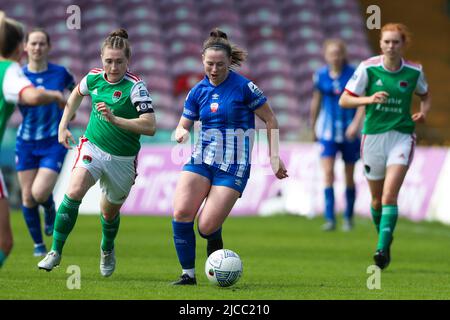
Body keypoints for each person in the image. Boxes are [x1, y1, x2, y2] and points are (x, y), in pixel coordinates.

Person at [171, 28, 288, 285]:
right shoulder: (197, 92)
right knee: (181, 213)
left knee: (206, 227)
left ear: (228, 63)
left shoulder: (244, 87)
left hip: (233, 166)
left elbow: (270, 119)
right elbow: (184, 124)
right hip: (201, 160)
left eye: (220, 65)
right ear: (202, 61)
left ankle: (214, 238)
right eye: (210, 64)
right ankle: (188, 274)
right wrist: (180, 132)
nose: (214, 69)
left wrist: (274, 156)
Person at [37, 28, 156, 277]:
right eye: (108, 61)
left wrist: (116, 120)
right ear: (101, 58)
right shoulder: (93, 78)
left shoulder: (135, 87)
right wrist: (62, 126)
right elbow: (74, 97)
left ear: (128, 60)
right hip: (93, 146)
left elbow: (150, 126)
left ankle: (107, 247)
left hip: (123, 160)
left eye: (119, 61)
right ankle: (55, 251)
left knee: (108, 212)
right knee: (74, 190)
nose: (113, 67)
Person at [339, 23, 431, 269]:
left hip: (401, 136)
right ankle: (386, 237)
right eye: (386, 41)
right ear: (380, 43)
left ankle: (380, 249)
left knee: (390, 195)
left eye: (396, 42)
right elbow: (344, 99)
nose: (391, 46)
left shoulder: (414, 71)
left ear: (403, 45)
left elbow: (425, 95)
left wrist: (423, 112)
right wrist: (369, 98)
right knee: (377, 200)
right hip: (373, 139)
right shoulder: (368, 68)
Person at [0, 11, 65, 268]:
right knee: (4, 242)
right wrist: (55, 96)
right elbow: (32, 97)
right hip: (34, 142)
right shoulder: (10, 71)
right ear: (21, 48)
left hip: (45, 143)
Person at [17, 28, 76, 257]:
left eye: (42, 43)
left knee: (40, 193)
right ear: (25, 47)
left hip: (53, 141)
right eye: (33, 43)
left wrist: (70, 113)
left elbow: (76, 93)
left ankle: (49, 208)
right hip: (26, 142)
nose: (37, 47)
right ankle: (38, 246)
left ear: (49, 47)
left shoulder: (61, 73)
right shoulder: (19, 77)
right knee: (27, 197)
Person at [310, 39, 365, 232]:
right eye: (332, 53)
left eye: (338, 53)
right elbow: (316, 102)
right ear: (326, 55)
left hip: (350, 132)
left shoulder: (354, 74)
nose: (335, 57)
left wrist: (356, 125)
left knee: (349, 175)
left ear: (343, 54)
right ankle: (330, 218)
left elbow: (361, 102)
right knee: (328, 173)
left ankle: (348, 217)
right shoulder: (320, 75)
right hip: (327, 132)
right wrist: (313, 126)